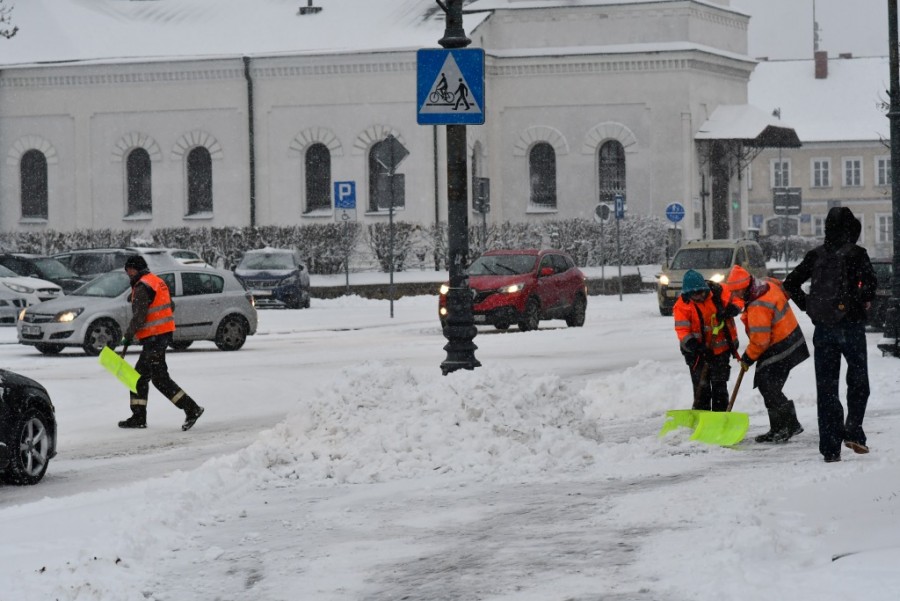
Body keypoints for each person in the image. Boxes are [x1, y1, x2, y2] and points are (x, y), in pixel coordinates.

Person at [783, 206, 877, 463]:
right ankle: (854, 431)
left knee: (826, 388)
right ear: (851, 229)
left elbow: (789, 283)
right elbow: (870, 287)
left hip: (824, 329)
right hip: (852, 326)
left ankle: (830, 447)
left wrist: (810, 306)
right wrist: (858, 300)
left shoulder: (815, 255)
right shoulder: (857, 254)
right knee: (858, 380)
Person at [117, 255, 205, 431]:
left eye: (129, 270)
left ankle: (191, 408)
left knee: (150, 378)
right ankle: (140, 416)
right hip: (161, 336)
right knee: (147, 378)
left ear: (135, 269)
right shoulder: (156, 281)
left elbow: (140, 316)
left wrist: (128, 335)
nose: (127, 273)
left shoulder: (142, 286)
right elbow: (170, 306)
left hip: (154, 338)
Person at [725, 265, 809, 443]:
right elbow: (782, 287)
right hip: (788, 337)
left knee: (768, 385)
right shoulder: (765, 284)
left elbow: (760, 340)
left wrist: (748, 358)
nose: (735, 295)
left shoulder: (758, 304)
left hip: (782, 344)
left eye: (736, 291)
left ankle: (787, 426)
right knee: (769, 385)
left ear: (744, 287)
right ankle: (781, 427)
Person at [673, 269, 741, 412]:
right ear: (688, 294)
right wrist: (697, 348)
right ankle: (701, 415)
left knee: (719, 387)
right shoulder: (682, 306)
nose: (699, 296)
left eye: (701, 292)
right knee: (701, 388)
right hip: (696, 353)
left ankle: (719, 416)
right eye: (694, 294)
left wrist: (732, 309)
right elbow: (682, 331)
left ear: (705, 288)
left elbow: (738, 298)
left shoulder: (718, 291)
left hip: (721, 350)